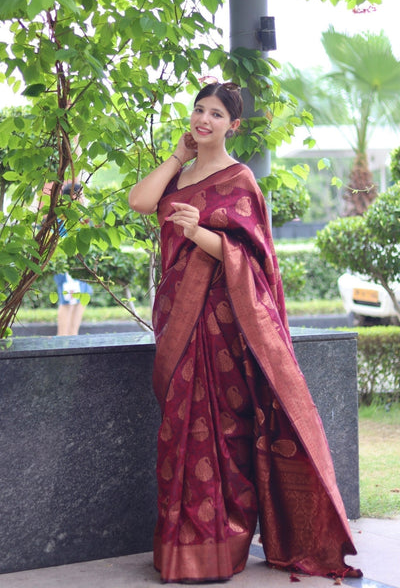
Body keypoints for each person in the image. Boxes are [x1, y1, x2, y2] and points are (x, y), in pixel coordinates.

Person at [128, 81, 362, 584]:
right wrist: (175, 158)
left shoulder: (240, 180)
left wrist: (198, 233)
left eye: (215, 114)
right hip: (176, 324)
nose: (203, 119)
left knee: (219, 433)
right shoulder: (182, 175)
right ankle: (178, 547)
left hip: (220, 327)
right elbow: (139, 201)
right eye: (198, 110)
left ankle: (221, 547)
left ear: (233, 125)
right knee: (178, 435)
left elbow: (253, 263)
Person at [53, 183, 93, 336]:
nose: (83, 199)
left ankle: (73, 339)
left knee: (81, 299)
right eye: (81, 195)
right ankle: (62, 340)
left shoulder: (82, 217)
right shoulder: (63, 216)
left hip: (81, 266)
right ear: (73, 197)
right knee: (68, 302)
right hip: (68, 267)